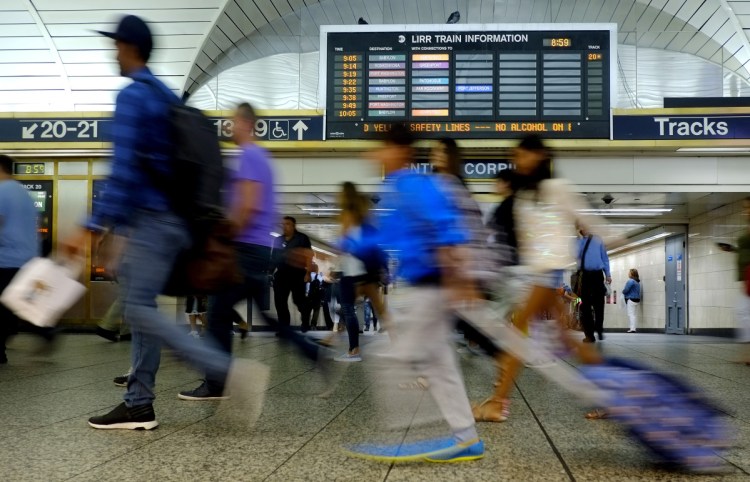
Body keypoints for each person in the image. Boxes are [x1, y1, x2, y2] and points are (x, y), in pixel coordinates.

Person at [62, 16, 265, 429]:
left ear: (128, 47)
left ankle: (224, 369)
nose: (113, 52)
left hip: (150, 221)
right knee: (144, 307)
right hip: (177, 223)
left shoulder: (134, 96)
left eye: (116, 45)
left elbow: (124, 171)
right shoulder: (167, 96)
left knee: (138, 309)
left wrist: (95, 224)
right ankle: (138, 403)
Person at [345, 124, 484, 462]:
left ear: (400, 150)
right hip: (426, 285)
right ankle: (466, 437)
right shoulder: (394, 187)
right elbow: (384, 237)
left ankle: (407, 427)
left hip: (432, 286)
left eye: (382, 147)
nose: (375, 154)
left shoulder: (414, 184)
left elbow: (445, 224)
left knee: (394, 356)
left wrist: (459, 275)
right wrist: (351, 241)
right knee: (440, 365)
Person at [179, 102, 323, 400]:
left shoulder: (249, 155)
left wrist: (224, 236)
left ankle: (217, 383)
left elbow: (247, 204)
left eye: (232, 122)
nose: (229, 127)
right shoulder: (261, 158)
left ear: (246, 123)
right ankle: (312, 353)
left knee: (218, 314)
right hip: (257, 249)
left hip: (244, 248)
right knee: (262, 316)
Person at [472, 135, 601, 423]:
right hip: (536, 272)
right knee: (566, 341)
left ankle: (497, 402)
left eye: (522, 155)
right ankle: (612, 394)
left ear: (539, 155)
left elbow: (586, 218)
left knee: (516, 337)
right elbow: (527, 240)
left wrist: (619, 242)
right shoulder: (529, 194)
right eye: (515, 156)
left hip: (545, 273)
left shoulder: (555, 188)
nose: (517, 161)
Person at [0, 154, 40, 364]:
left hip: (5, 258)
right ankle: (44, 330)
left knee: (5, 305)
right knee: (11, 303)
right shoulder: (23, 192)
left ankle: (45, 330)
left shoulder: (2, 191)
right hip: (25, 258)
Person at [719, 197, 750, 364]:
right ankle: (746, 354)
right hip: (745, 275)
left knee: (743, 312)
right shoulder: (747, 227)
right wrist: (733, 250)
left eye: (748, 207)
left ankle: (746, 354)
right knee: (743, 313)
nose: (746, 211)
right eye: (745, 208)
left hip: (749, 275)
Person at [273, 216, 313, 333]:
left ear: (293, 225)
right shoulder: (278, 240)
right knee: (280, 302)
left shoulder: (302, 238)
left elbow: (309, 256)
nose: (285, 226)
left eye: (288, 224)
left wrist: (308, 273)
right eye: (283, 224)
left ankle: (305, 318)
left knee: (298, 300)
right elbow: (274, 258)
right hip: (281, 275)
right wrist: (269, 272)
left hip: (297, 275)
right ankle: (284, 328)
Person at [576, 222, 612, 343]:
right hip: (585, 276)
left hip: (597, 275)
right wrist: (579, 239)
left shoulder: (598, 239)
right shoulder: (577, 241)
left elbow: (604, 257)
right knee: (585, 307)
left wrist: (608, 274)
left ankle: (599, 328)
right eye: (581, 226)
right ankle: (589, 335)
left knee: (599, 304)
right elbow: (575, 256)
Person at [622, 269, 641, 333]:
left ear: (632, 274)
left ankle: (632, 328)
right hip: (637, 299)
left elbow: (626, 290)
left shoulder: (631, 281)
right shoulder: (637, 282)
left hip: (631, 299)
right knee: (634, 314)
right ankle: (633, 328)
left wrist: (623, 292)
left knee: (631, 314)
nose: (628, 274)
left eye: (629, 272)